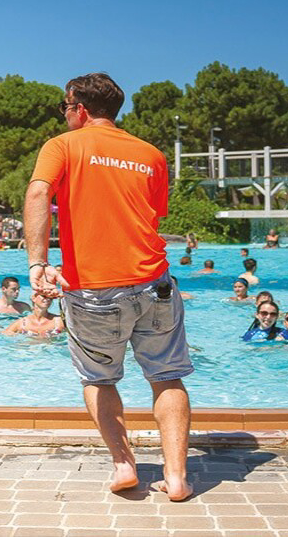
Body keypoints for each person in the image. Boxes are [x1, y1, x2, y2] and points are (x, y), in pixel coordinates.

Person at [24, 72, 193, 501]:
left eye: (65, 107)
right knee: (167, 377)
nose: (64, 115)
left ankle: (123, 464)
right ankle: (176, 478)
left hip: (95, 288)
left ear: (79, 108)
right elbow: (154, 215)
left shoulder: (62, 145)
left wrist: (38, 262)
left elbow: (39, 192)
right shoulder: (151, 154)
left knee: (99, 379)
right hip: (154, 282)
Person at [1, 292, 66, 337]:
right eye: (44, 296)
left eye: (50, 297)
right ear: (34, 298)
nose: (48, 299)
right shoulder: (22, 323)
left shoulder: (59, 321)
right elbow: (4, 334)